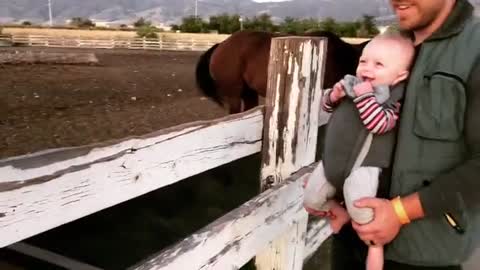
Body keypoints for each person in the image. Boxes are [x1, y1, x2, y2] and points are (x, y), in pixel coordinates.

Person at [318, 0, 480, 269]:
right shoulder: (388, 42)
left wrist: (400, 212)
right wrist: (333, 183)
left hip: (423, 253)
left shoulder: (474, 51)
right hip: (351, 237)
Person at [303, 32, 415, 270]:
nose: (367, 69)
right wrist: (333, 96)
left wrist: (365, 97)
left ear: (400, 75)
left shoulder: (392, 101)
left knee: (362, 207)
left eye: (379, 64)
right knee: (311, 199)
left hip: (363, 166)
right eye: (363, 61)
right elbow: (326, 107)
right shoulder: (351, 86)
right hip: (334, 162)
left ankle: (374, 246)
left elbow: (379, 125)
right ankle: (338, 214)